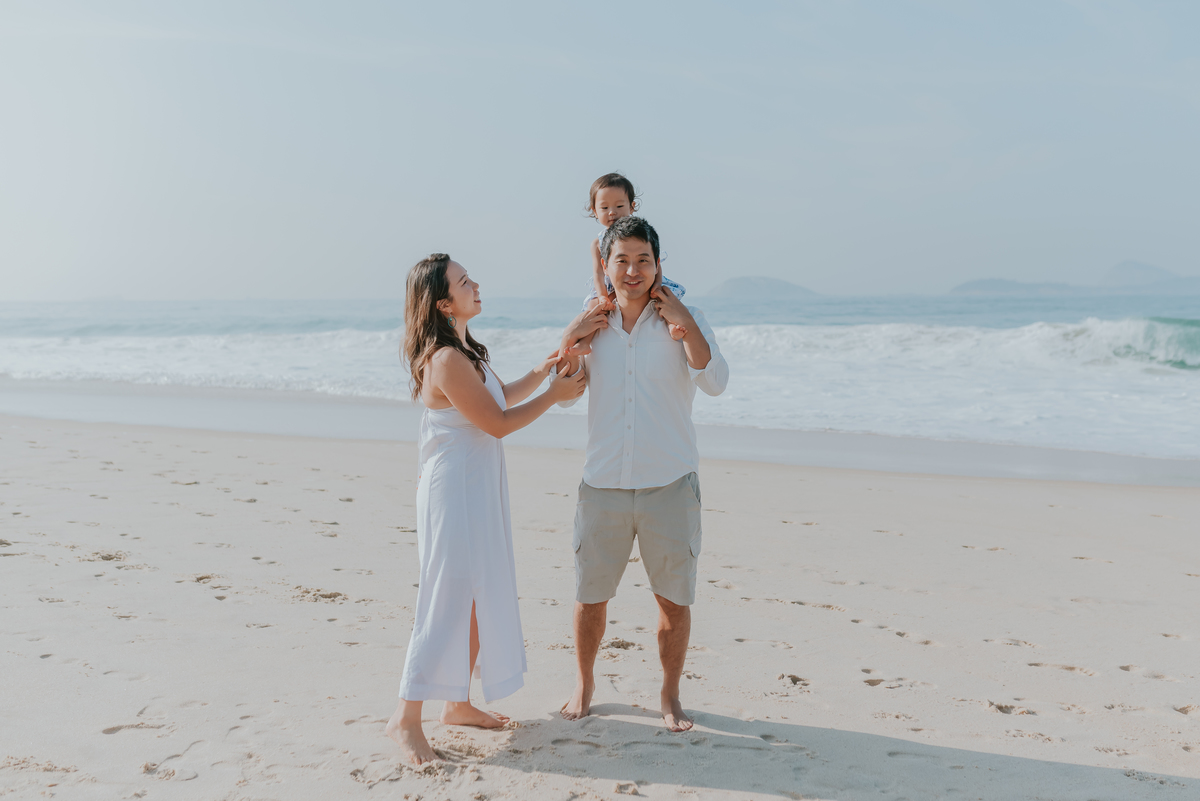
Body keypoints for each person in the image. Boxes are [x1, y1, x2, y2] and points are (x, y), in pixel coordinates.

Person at [387, 253, 586, 765]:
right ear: (442, 301)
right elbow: (497, 423)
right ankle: (405, 719)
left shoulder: (463, 350)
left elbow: (497, 398)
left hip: (473, 486)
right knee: (444, 599)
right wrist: (555, 397)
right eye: (463, 280)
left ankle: (456, 703)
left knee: (474, 598)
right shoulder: (446, 358)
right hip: (453, 493)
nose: (476, 284)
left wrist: (543, 374)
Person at [555, 217, 728, 732]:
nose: (632, 271)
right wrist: (571, 339)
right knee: (591, 597)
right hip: (603, 484)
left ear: (658, 265)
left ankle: (670, 695)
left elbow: (715, 381)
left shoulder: (685, 318)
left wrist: (685, 323)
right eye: (621, 260)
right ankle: (584, 682)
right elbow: (564, 387)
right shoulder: (592, 321)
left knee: (674, 600)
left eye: (643, 260)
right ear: (605, 267)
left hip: (670, 484)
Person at [562, 173, 687, 357]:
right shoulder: (597, 243)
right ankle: (585, 343)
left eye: (619, 206)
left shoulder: (641, 234)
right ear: (594, 211)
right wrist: (603, 296)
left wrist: (658, 285)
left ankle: (672, 326)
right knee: (593, 309)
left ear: (632, 206)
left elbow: (656, 264)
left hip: (643, 281)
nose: (612, 212)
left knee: (663, 300)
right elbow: (598, 273)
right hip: (610, 284)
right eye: (604, 207)